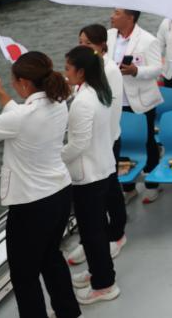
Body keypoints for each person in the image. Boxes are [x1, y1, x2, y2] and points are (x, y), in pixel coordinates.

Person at [0, 55, 81, 318]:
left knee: (24, 274)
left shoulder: (24, 116)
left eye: (14, 82)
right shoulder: (58, 102)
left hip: (32, 204)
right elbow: (23, 118)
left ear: (24, 83)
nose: (13, 85)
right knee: (51, 257)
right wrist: (3, 96)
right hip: (60, 193)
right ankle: (69, 312)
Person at [65, 25, 127, 266]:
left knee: (110, 192)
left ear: (102, 45)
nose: (83, 46)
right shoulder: (88, 71)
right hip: (96, 142)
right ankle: (90, 243)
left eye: (88, 43)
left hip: (106, 139)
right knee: (99, 202)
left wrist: (105, 142)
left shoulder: (109, 70)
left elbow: (113, 109)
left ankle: (117, 234)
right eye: (80, 41)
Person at [62, 45, 120, 304]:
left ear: (81, 71)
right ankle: (98, 271)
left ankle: (104, 284)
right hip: (103, 167)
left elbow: (78, 144)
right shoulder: (100, 91)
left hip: (88, 176)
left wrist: (55, 157)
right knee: (97, 229)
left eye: (68, 68)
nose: (65, 72)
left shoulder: (83, 102)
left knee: (92, 232)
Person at [108, 8, 165, 204]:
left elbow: (157, 69)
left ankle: (152, 184)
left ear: (130, 17)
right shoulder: (108, 37)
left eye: (117, 13)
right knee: (120, 142)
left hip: (141, 100)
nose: (112, 16)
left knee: (148, 141)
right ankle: (128, 186)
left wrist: (136, 71)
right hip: (116, 100)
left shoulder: (148, 40)